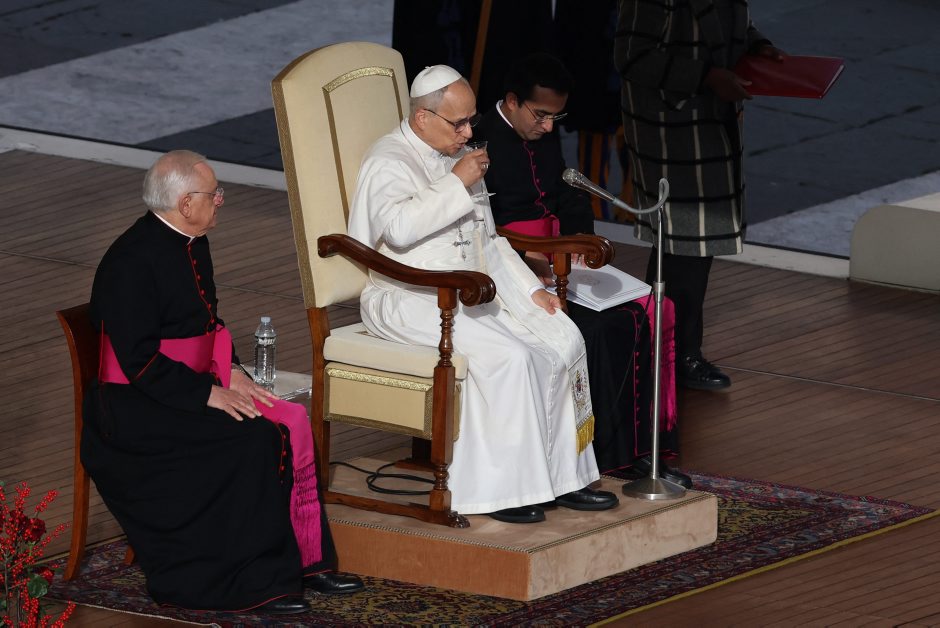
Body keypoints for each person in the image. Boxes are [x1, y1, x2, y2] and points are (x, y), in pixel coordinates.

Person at [82, 150, 363, 615]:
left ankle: (309, 562)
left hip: (183, 385)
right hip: (135, 407)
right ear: (185, 203)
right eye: (214, 194)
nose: (221, 201)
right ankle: (256, 581)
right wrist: (207, 393)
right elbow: (137, 360)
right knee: (255, 438)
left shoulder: (193, 242)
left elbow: (208, 324)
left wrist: (230, 371)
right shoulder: (131, 262)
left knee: (291, 419)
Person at [347, 65, 619, 524]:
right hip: (410, 297)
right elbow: (397, 230)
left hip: (466, 290)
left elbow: (488, 240)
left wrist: (530, 292)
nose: (469, 133)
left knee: (560, 337)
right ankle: (502, 490)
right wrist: (455, 181)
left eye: (470, 121)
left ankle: (562, 479)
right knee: (509, 357)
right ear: (422, 118)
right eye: (459, 124)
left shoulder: (457, 155)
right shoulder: (388, 161)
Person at [474, 52, 691, 488]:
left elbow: (568, 193)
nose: (548, 127)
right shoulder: (478, 142)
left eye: (556, 117)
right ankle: (601, 453)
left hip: (560, 259)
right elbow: (484, 227)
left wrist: (577, 239)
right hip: (517, 268)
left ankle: (642, 451)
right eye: (541, 115)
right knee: (598, 329)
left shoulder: (540, 130)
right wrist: (535, 258)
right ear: (512, 101)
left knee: (650, 310)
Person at [614, 1, 784, 390]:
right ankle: (672, 355)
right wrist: (705, 76)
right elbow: (631, 56)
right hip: (671, 128)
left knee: (690, 247)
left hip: (706, 121)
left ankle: (666, 351)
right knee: (685, 243)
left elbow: (733, 23)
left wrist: (758, 46)